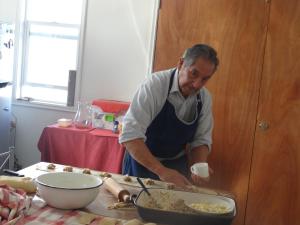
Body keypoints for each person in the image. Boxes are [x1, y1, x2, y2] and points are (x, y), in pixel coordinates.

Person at [119, 44, 219, 187]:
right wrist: (162, 171)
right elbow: (130, 136)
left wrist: (199, 165)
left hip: (175, 164)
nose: (197, 85)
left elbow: (201, 140)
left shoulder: (204, 98)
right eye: (194, 74)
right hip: (142, 161)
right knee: (136, 206)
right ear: (181, 63)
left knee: (177, 206)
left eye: (205, 79)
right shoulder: (154, 86)